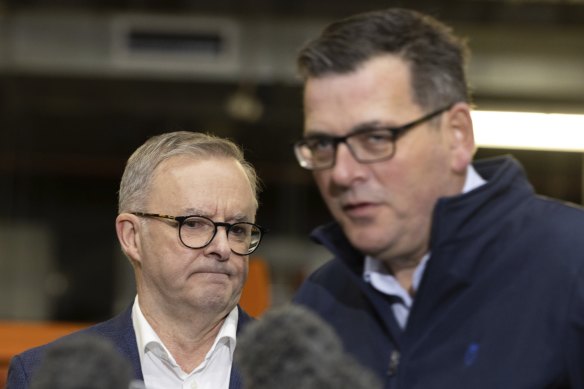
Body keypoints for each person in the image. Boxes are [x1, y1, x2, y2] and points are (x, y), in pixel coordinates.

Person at [291, 8, 584, 388]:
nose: (342, 173)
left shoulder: (573, 265)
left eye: (376, 138)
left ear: (457, 135)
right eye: (322, 144)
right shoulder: (320, 302)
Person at [8, 131, 266, 389]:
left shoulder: (301, 371)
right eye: (194, 224)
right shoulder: (44, 378)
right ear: (132, 236)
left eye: (237, 229)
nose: (222, 247)